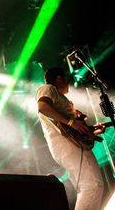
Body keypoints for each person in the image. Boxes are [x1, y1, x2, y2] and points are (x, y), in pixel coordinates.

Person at [35, 67, 105, 210]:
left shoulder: (61, 100)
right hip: (65, 144)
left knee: (87, 188)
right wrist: (73, 122)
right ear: (59, 78)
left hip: (67, 144)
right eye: (66, 78)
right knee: (93, 186)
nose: (68, 82)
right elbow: (42, 107)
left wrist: (92, 131)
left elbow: (73, 129)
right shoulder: (48, 88)